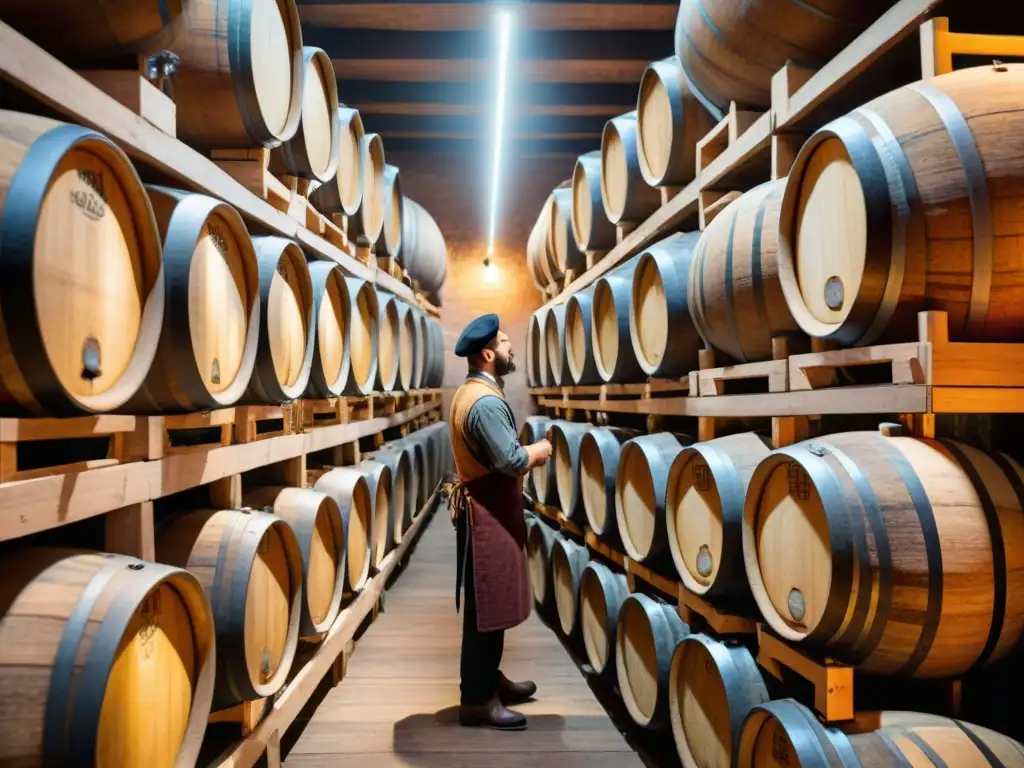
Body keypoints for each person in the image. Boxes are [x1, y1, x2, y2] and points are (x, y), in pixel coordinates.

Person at [446, 313, 552, 731]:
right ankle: (477, 699)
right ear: (488, 353)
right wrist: (539, 451)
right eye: (505, 343)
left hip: (488, 512)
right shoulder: (486, 403)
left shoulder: (472, 392)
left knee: (490, 603)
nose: (511, 348)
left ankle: (488, 678)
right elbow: (509, 460)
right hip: (488, 516)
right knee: (486, 609)